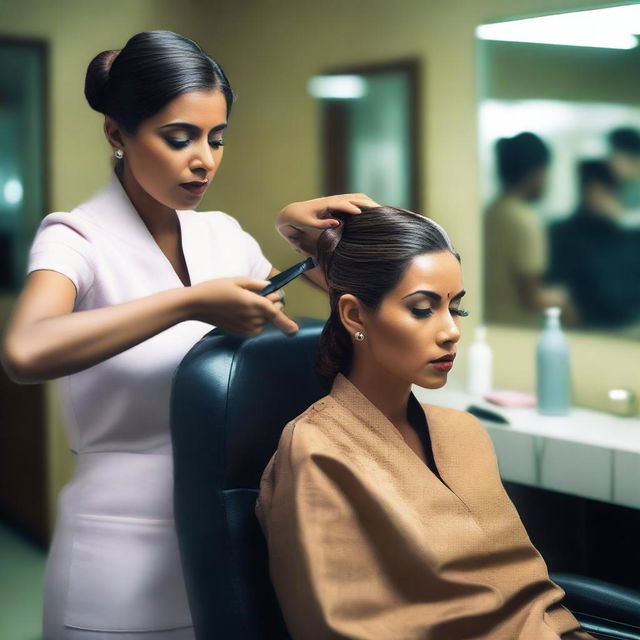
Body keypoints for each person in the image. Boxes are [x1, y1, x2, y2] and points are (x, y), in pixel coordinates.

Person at [0, 30, 375, 640]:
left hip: (230, 542)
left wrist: (291, 232)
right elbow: (24, 350)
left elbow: (339, 312)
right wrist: (186, 304)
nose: (203, 159)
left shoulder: (223, 236)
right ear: (117, 134)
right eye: (179, 138)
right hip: (119, 553)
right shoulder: (75, 237)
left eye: (216, 138)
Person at [256, 206, 596, 639]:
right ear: (355, 316)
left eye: (457, 309)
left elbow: (525, 592)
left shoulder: (463, 433)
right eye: (423, 309)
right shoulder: (317, 450)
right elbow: (337, 626)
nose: (451, 330)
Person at [484, 132, 574, 327]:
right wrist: (564, 303)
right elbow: (532, 297)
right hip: (518, 330)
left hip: (490, 323)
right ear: (535, 172)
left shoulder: (492, 212)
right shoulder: (525, 220)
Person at [548, 159, 640, 331]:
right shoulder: (564, 232)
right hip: (588, 327)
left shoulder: (628, 232)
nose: (597, 196)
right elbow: (557, 289)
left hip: (631, 325)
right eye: (592, 189)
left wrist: (620, 220)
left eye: (603, 189)